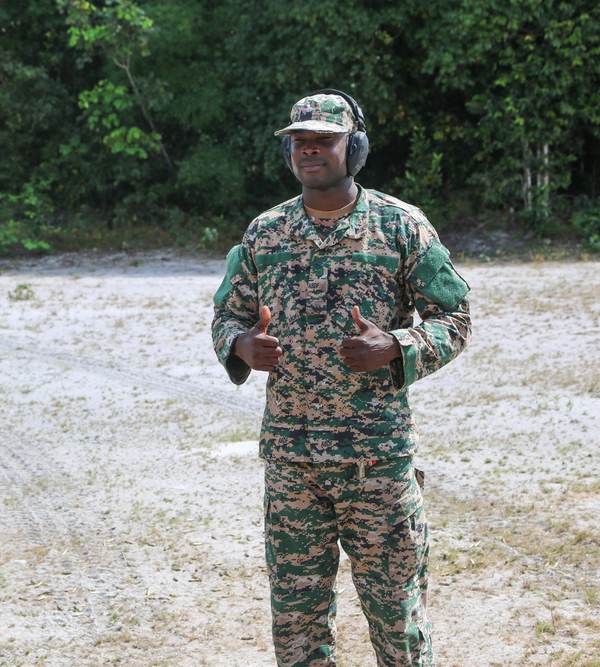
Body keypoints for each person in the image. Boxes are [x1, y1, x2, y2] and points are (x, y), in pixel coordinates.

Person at [210, 90, 472, 667]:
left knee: (396, 617)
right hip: (292, 463)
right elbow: (228, 313)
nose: (309, 150)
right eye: (298, 142)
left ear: (352, 148)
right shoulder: (265, 233)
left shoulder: (400, 227)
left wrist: (397, 345)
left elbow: (455, 317)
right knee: (297, 621)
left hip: (375, 460)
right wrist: (240, 345)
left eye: (323, 140)